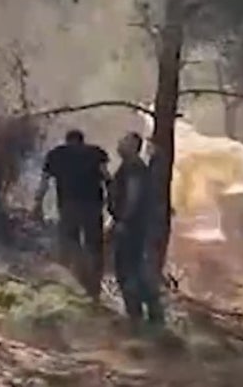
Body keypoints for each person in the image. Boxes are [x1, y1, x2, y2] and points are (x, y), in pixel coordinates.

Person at [33, 129, 110, 299]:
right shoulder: (95, 153)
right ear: (82, 141)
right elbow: (107, 177)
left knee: (69, 244)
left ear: (67, 140)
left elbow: (44, 181)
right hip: (92, 206)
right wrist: (113, 201)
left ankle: (73, 284)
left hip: (69, 205)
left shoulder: (56, 155)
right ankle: (93, 289)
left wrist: (37, 203)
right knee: (94, 246)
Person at [109, 132, 164, 330]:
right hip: (133, 226)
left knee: (129, 270)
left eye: (123, 142)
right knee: (132, 270)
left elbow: (133, 195)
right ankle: (145, 317)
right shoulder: (131, 167)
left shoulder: (133, 167)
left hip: (132, 228)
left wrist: (124, 220)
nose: (119, 145)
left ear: (133, 146)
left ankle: (139, 317)